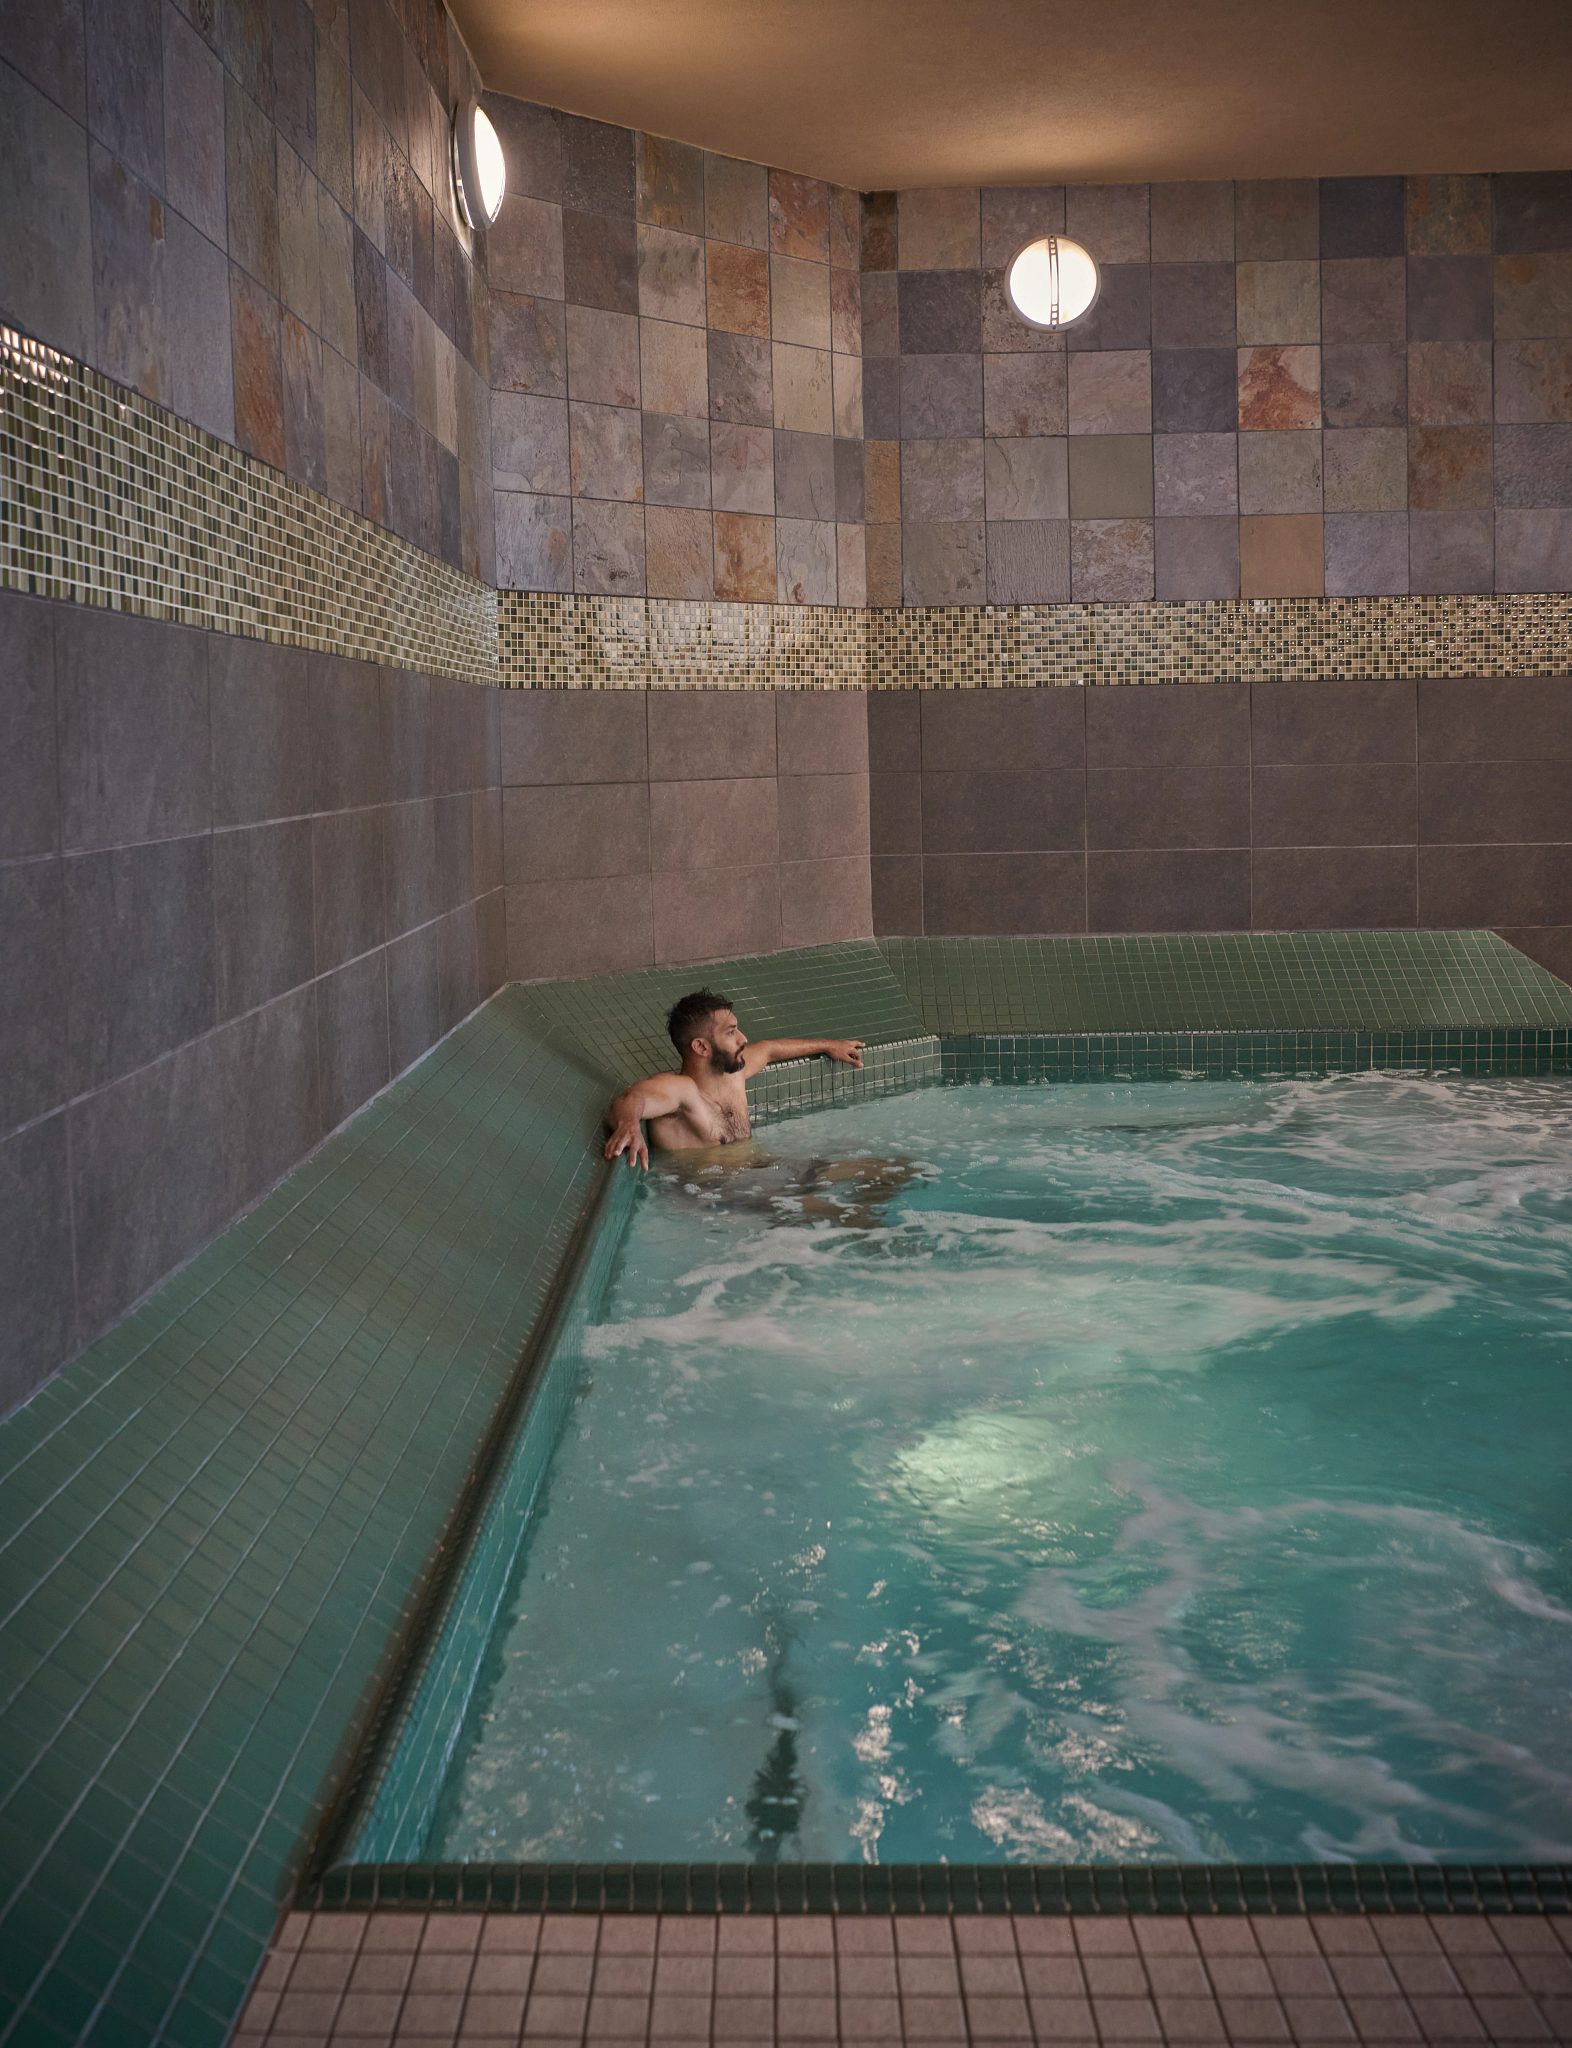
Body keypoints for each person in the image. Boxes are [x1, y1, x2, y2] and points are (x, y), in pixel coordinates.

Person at [603, 988, 864, 1169]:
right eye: (731, 1033)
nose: (743, 1039)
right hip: (723, 1201)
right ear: (701, 1047)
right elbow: (631, 1098)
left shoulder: (733, 1075)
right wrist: (629, 1124)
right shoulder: (684, 1092)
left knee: (877, 1170)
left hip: (763, 1176)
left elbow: (770, 1049)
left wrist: (830, 1045)